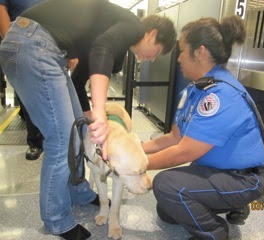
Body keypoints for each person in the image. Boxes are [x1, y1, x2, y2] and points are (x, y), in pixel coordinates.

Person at [0, 0, 176, 239]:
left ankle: (79, 191)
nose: (152, 59)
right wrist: (101, 113)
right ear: (152, 34)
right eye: (158, 52)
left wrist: (86, 116)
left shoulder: (110, 28)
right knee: (62, 141)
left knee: (75, 132)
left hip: (44, 48)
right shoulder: (133, 26)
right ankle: (56, 219)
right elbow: (101, 48)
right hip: (34, 43)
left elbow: (78, 79)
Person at [142, 16, 264, 240]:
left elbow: (186, 151)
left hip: (242, 179)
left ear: (199, 52)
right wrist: (138, 148)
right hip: (215, 171)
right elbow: (174, 137)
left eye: (182, 50)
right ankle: (231, 204)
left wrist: (136, 165)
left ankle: (215, 233)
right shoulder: (193, 90)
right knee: (167, 210)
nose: (179, 58)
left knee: (166, 185)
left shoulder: (220, 94)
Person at [0, 0, 45, 160]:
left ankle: (53, 136)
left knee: (49, 90)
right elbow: (2, 9)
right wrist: (10, 42)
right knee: (28, 93)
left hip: (48, 38)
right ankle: (35, 141)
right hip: (20, 38)